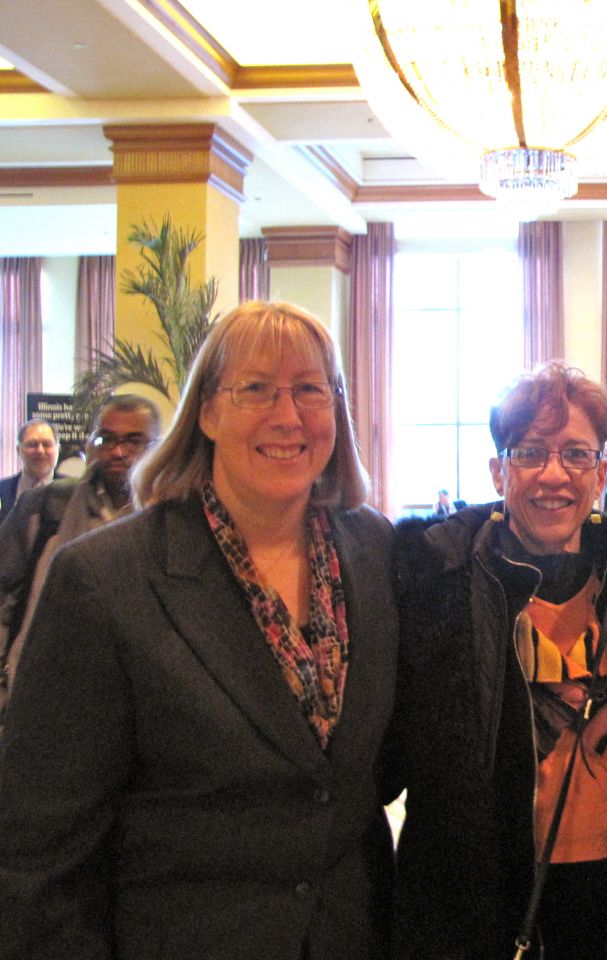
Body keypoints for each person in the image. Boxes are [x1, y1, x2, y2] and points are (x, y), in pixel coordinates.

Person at [0, 301, 397, 960]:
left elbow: (375, 768)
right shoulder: (105, 579)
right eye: (256, 390)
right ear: (206, 412)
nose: (287, 414)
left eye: (309, 389)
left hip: (348, 936)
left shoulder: (374, 550)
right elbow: (38, 849)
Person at [388, 361, 607, 960]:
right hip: (487, 897)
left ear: (602, 471)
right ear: (499, 470)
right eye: (531, 453)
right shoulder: (440, 582)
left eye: (576, 454)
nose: (554, 474)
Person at [0, 394, 159, 710]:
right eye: (107, 439)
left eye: (133, 441)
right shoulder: (47, 507)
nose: (118, 451)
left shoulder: (177, 519)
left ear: (158, 445)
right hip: (41, 688)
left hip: (134, 696)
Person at [0, 419, 59, 525]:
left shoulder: (74, 491)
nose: (40, 450)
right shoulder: (1, 490)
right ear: (19, 450)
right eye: (32, 444)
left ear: (57, 449)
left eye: (46, 444)